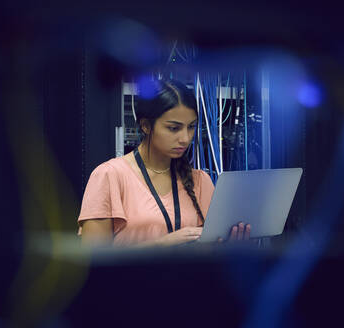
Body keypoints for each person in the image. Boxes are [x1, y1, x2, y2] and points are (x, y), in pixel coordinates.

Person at [78, 79, 250, 247]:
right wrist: (163, 244)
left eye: (191, 127)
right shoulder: (110, 176)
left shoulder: (200, 181)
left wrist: (229, 246)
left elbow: (212, 252)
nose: (185, 138)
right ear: (146, 125)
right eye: (173, 128)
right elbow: (93, 261)